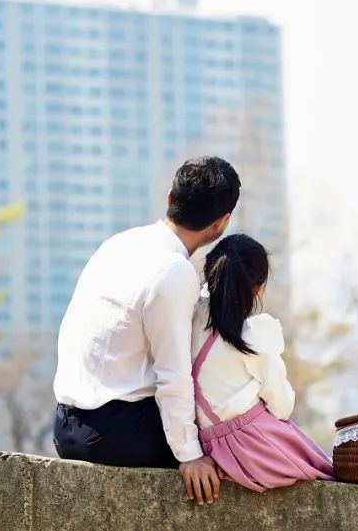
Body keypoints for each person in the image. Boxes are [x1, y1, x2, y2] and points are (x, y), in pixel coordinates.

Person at [52, 156, 239, 505]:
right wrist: (189, 455)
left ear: (170, 198)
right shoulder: (173, 272)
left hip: (65, 425)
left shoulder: (119, 243)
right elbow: (173, 375)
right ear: (221, 224)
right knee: (235, 445)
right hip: (116, 433)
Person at [190, 234, 334, 491]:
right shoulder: (253, 334)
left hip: (206, 445)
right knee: (326, 471)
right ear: (258, 288)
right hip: (253, 447)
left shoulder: (187, 319)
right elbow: (282, 406)